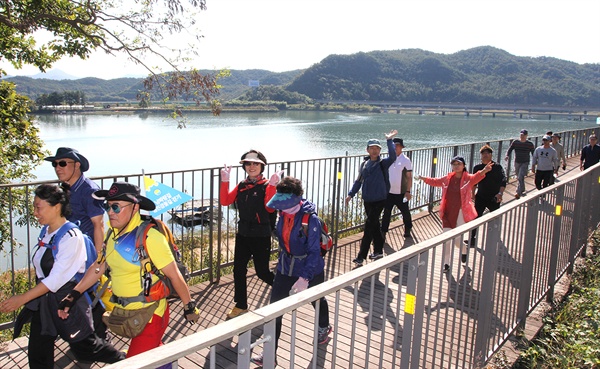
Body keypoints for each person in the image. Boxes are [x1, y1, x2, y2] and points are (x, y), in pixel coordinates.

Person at [57, 182, 199, 368]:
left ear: (135, 207)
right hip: (127, 313)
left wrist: (189, 306)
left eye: (116, 207)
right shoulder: (112, 235)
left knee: (133, 363)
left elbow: (174, 275)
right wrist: (73, 294)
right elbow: (98, 267)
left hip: (151, 314)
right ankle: (167, 363)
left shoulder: (150, 237)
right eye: (108, 206)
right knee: (153, 353)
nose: (110, 212)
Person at [0, 184, 125, 369]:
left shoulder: (71, 237)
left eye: (38, 207)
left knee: (87, 348)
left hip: (67, 302)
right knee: (38, 352)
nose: (35, 213)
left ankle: (127, 361)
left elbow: (56, 279)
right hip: (45, 302)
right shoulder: (48, 232)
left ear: (56, 207)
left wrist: (21, 299)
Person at [251, 176, 331, 367]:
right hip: (286, 267)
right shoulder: (282, 213)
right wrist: (271, 185)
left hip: (309, 268)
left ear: (296, 198)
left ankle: (323, 327)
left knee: (317, 300)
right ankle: (270, 354)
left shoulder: (310, 220)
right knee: (274, 311)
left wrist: (305, 277)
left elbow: (314, 253)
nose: (280, 208)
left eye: (284, 203)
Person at [220, 150, 277, 319]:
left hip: (261, 234)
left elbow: (270, 208)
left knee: (262, 272)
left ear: (262, 166)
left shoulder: (267, 185)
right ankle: (241, 305)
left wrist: (273, 186)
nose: (251, 167)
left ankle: (284, 289)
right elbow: (225, 201)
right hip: (243, 233)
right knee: (238, 270)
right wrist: (225, 180)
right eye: (248, 163)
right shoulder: (242, 185)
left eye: (255, 163)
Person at [417, 156, 492, 272]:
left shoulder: (467, 178)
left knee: (457, 239)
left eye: (459, 164)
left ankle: (464, 250)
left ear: (464, 166)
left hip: (461, 212)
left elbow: (477, 177)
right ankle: (446, 263)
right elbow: (435, 181)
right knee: (446, 238)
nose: (456, 166)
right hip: (447, 212)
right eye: (454, 164)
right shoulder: (447, 178)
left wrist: (484, 171)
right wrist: (423, 178)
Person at [346, 129, 398, 266]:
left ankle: (361, 257)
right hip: (367, 199)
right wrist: (350, 194)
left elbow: (393, 157)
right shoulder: (364, 164)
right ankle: (379, 251)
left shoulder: (383, 163)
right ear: (367, 150)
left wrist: (389, 140)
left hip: (380, 199)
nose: (374, 151)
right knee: (375, 226)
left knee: (369, 226)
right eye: (372, 148)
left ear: (380, 151)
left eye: (377, 148)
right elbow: (358, 181)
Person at [45, 147, 105, 252]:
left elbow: (98, 224)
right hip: (64, 248)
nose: (58, 168)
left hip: (83, 251)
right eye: (55, 164)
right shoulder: (63, 189)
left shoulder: (89, 191)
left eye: (62, 163)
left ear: (77, 165)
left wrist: (97, 258)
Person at [469, 145, 507, 246]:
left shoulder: (497, 167)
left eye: (487, 153)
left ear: (491, 155)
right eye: (483, 153)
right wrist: (472, 195)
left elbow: (503, 181)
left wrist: (500, 193)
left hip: (494, 197)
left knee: (495, 219)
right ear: (481, 155)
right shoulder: (477, 168)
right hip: (481, 196)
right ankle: (472, 239)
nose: (485, 155)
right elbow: (474, 182)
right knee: (475, 218)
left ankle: (495, 238)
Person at [381, 137, 414, 240]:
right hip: (389, 193)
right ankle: (383, 233)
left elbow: (409, 177)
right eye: (393, 145)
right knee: (386, 213)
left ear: (401, 147)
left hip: (401, 192)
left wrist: (408, 191)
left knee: (405, 212)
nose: (395, 147)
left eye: (397, 146)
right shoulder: (388, 160)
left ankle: (408, 228)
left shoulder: (406, 160)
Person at [505, 129, 535, 199]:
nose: (522, 136)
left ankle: (518, 192)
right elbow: (510, 149)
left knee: (520, 176)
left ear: (526, 136)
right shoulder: (515, 142)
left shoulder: (530, 144)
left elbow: (533, 153)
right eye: (521, 135)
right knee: (518, 176)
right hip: (517, 161)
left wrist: (535, 161)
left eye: (523, 135)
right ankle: (523, 188)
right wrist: (507, 155)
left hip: (525, 162)